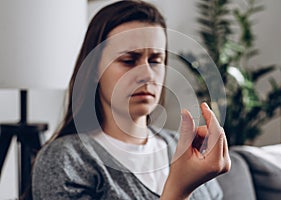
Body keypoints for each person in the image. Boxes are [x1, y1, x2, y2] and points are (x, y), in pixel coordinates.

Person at [31, 0, 231, 199]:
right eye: (128, 60)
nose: (147, 74)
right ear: (93, 70)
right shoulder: (67, 159)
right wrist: (179, 189)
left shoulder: (186, 150)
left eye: (155, 60)